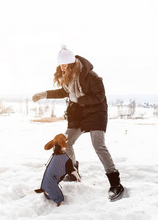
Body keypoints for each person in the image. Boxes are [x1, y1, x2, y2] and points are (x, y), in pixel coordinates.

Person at [32, 45, 125, 201]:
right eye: (60, 64)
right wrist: (44, 94)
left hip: (96, 113)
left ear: (72, 62)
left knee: (98, 145)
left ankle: (115, 183)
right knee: (66, 142)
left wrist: (78, 99)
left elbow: (99, 96)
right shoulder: (66, 76)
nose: (62, 67)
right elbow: (64, 92)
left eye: (65, 64)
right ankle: (73, 171)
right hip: (79, 114)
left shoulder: (91, 76)